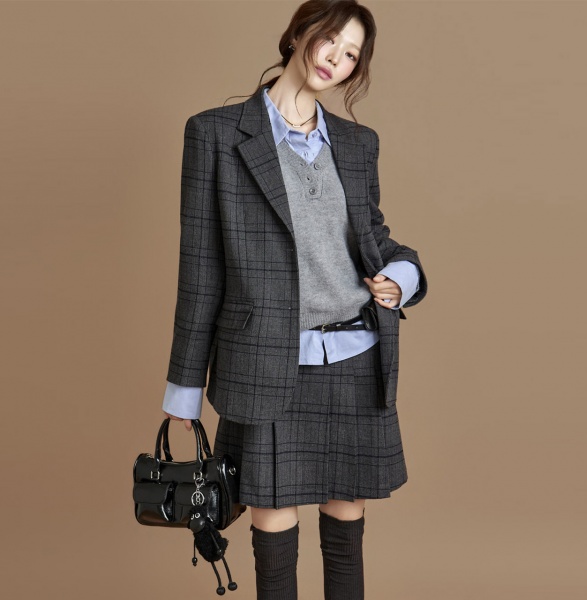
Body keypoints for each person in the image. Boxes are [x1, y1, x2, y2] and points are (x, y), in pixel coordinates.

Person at [162, 1, 427, 598]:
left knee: (347, 531)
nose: (337, 58)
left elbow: (374, 238)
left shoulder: (358, 143)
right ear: (299, 33)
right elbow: (200, 267)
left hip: (355, 359)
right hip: (264, 362)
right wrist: (184, 387)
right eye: (331, 39)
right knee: (274, 535)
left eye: (352, 54)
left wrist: (403, 276)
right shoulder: (215, 134)